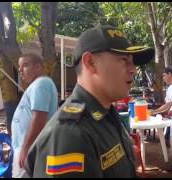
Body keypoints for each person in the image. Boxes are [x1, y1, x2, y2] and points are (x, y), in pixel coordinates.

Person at [23, 25, 154, 178]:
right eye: (123, 60)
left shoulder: (107, 114)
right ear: (90, 63)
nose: (133, 69)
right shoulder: (71, 134)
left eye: (132, 62)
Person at [11, 53, 58, 177]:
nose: (20, 70)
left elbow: (39, 118)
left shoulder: (41, 84)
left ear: (38, 67)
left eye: (25, 65)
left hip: (30, 149)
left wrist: (26, 149)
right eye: (20, 67)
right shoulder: (37, 85)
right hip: (28, 148)